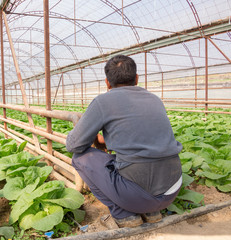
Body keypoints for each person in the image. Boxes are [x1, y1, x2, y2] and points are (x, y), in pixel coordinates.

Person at [66, 55, 183, 229]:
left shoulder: (103, 102)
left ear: (107, 82)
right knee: (137, 167)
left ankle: (124, 214)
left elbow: (73, 145)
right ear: (136, 79)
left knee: (80, 158)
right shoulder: (154, 99)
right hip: (172, 190)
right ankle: (151, 213)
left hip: (137, 196)